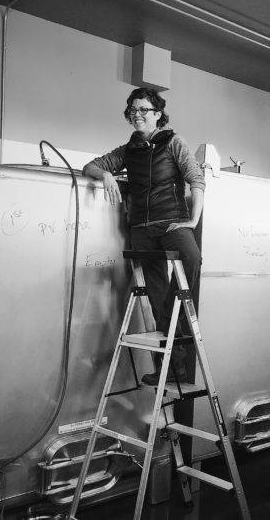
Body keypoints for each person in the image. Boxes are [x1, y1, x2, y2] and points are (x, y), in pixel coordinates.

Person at [83, 87, 205, 384]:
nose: (137, 115)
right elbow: (91, 166)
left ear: (158, 114)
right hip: (141, 230)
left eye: (143, 110)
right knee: (156, 293)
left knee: (192, 258)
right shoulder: (129, 150)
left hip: (171, 223)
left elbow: (196, 179)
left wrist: (192, 220)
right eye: (133, 110)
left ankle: (172, 327)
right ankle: (168, 369)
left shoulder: (174, 142)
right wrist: (107, 174)